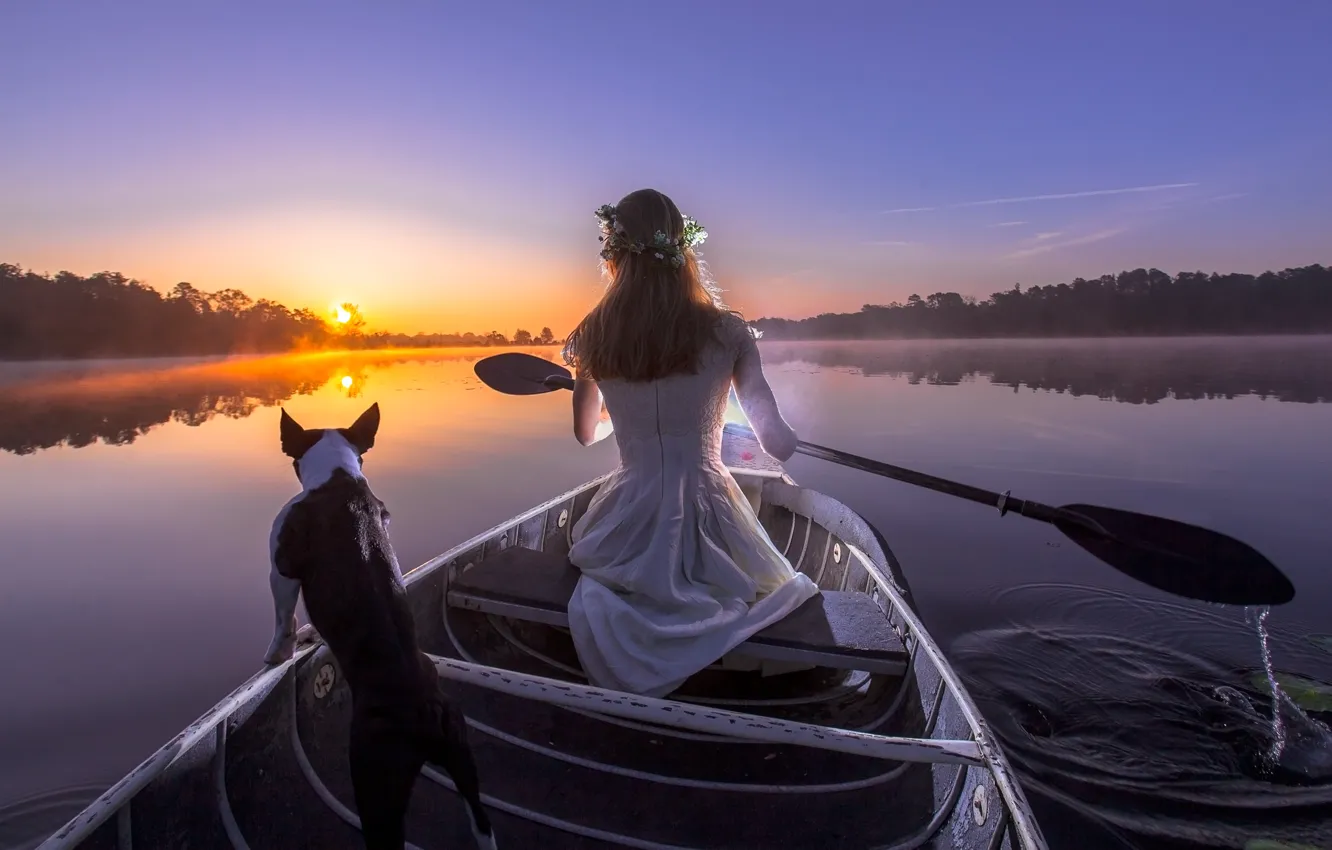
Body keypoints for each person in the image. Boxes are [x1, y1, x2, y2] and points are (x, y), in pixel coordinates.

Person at [560, 188, 820, 698]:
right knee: (767, 589)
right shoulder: (727, 331)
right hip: (709, 511)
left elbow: (586, 433)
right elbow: (776, 442)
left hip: (625, 522)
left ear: (613, 252)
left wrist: (618, 414)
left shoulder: (593, 335)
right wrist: (786, 435)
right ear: (684, 249)